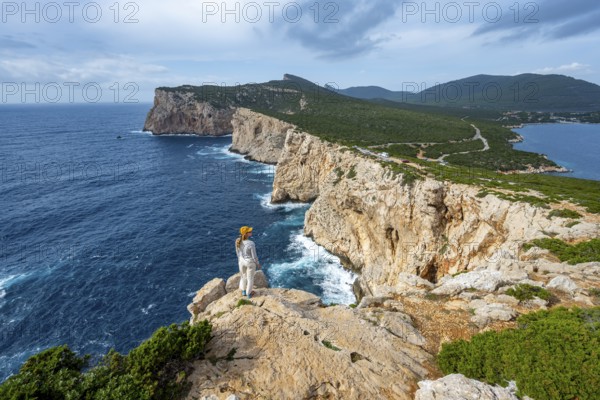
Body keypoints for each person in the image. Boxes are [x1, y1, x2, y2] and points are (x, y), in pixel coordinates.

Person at [235, 226, 261, 298]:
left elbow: (237, 252)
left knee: (243, 276)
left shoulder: (237, 241)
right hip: (250, 263)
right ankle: (248, 294)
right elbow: (254, 256)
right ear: (246, 234)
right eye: (249, 232)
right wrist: (258, 264)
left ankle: (243, 291)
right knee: (250, 279)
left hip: (241, 261)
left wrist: (240, 260)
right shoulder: (251, 243)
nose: (251, 232)